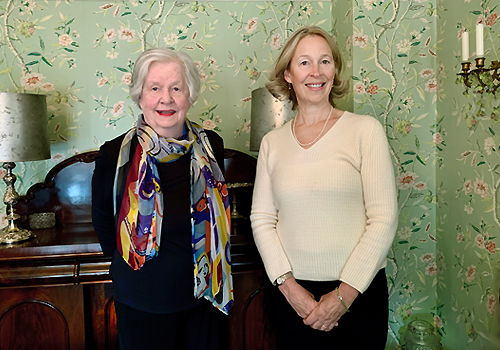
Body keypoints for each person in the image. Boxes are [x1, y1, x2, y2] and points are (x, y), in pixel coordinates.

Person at [250, 26, 398, 349]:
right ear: (288, 74)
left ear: (334, 70)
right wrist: (289, 289)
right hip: (294, 301)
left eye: (325, 61)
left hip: (359, 296)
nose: (316, 72)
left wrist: (342, 297)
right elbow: (261, 220)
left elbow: (384, 218)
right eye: (304, 63)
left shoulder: (365, 131)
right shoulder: (272, 144)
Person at [92, 48, 232, 350]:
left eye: (176, 88)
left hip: (204, 298)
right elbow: (104, 221)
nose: (165, 98)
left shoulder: (211, 147)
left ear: (190, 96)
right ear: (140, 96)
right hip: (141, 301)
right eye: (154, 88)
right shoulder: (114, 154)